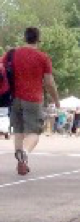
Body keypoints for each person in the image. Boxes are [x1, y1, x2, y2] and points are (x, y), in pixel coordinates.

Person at [2, 27, 60, 175]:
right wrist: (56, 100)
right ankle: (25, 153)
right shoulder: (42, 57)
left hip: (14, 98)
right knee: (33, 132)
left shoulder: (12, 54)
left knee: (19, 131)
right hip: (33, 99)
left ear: (24, 37)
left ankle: (20, 161)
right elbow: (49, 82)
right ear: (38, 39)